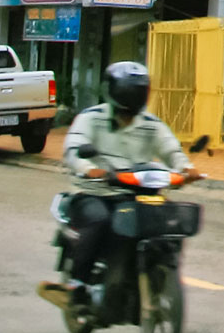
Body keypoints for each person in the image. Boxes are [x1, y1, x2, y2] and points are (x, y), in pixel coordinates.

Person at [44, 61, 196, 306]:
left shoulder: (150, 124)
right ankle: (78, 284)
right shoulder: (91, 118)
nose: (133, 96)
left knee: (169, 223)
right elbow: (73, 148)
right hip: (95, 192)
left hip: (138, 193)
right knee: (100, 220)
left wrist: (187, 169)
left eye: (138, 90)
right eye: (128, 90)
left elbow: (171, 150)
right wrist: (89, 169)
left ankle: (159, 272)